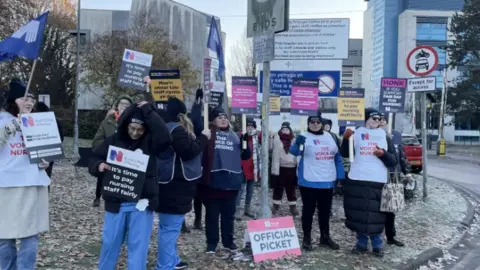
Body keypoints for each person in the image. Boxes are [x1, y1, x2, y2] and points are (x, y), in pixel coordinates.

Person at [88, 102, 170, 270]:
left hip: (141, 204)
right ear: (126, 125)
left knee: (138, 248)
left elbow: (165, 137)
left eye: (140, 130)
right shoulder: (114, 140)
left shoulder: (150, 143)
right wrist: (99, 166)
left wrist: (149, 111)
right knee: (110, 244)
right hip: (116, 202)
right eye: (132, 128)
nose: (135, 133)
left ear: (146, 129)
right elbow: (93, 159)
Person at [0, 79, 51, 270]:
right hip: (6, 187)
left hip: (31, 185)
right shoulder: (2, 120)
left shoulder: (37, 122)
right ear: (14, 100)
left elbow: (44, 151)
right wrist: (9, 128)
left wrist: (45, 161)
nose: (30, 102)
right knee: (5, 237)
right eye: (25, 98)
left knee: (30, 236)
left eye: (32, 98)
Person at [155, 97, 210, 270]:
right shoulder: (176, 130)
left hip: (166, 183)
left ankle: (172, 260)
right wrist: (203, 138)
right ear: (180, 115)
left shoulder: (162, 128)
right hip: (176, 185)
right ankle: (164, 266)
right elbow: (189, 151)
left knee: (168, 228)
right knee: (170, 229)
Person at [340, 108, 398, 257]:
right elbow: (346, 154)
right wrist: (346, 140)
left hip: (378, 180)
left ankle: (377, 244)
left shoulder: (385, 137)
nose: (377, 121)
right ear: (366, 118)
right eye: (374, 118)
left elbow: (393, 160)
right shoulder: (356, 133)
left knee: (377, 213)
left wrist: (383, 154)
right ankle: (361, 243)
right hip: (358, 178)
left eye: (379, 119)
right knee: (359, 212)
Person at [197, 107, 251, 254]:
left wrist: (246, 144)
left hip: (231, 182)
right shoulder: (208, 134)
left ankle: (228, 241)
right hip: (213, 181)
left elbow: (245, 156)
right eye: (219, 117)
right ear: (213, 120)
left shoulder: (235, 136)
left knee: (229, 215)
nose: (223, 119)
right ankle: (211, 243)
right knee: (212, 216)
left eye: (225, 117)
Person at [289, 112, 345, 251]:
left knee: (325, 211)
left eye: (317, 122)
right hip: (309, 180)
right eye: (312, 122)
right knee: (308, 211)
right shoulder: (303, 136)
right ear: (308, 124)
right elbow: (294, 152)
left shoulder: (330, 137)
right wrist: (297, 143)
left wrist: (341, 175)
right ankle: (307, 238)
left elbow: (337, 158)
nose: (315, 124)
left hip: (327, 180)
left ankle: (325, 237)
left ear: (322, 124)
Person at [91, 95, 133, 207]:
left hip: (126, 160)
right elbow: (96, 141)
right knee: (102, 177)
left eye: (127, 104)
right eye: (122, 104)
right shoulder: (107, 122)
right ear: (117, 107)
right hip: (109, 157)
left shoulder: (134, 123)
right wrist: (108, 146)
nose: (124, 106)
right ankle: (98, 197)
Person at [378, 113, 413, 247]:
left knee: (391, 209)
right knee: (376, 209)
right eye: (378, 120)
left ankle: (391, 236)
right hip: (376, 177)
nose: (381, 122)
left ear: (387, 122)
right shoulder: (371, 136)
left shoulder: (396, 136)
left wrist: (408, 173)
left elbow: (402, 157)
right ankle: (375, 236)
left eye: (383, 120)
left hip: (393, 177)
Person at [269, 122, 298, 216]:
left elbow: (299, 151)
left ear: (290, 131)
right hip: (280, 167)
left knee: (291, 188)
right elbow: (269, 148)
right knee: (278, 187)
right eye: (283, 129)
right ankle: (276, 205)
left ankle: (293, 206)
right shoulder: (276, 138)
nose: (285, 131)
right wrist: (270, 137)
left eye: (287, 129)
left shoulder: (294, 139)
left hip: (292, 168)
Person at [36, 102, 64, 192]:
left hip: (36, 151)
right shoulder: (54, 120)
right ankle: (45, 192)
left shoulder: (34, 120)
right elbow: (61, 137)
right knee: (47, 174)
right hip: (50, 151)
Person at [236, 117, 261, 219]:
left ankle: (247, 209)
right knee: (240, 189)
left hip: (253, 167)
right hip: (242, 167)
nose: (250, 127)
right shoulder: (240, 136)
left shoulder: (256, 137)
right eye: (248, 125)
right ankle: (237, 209)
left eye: (252, 126)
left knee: (250, 190)